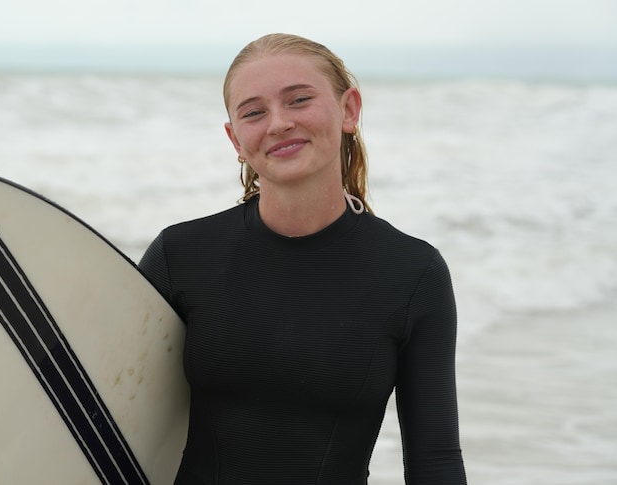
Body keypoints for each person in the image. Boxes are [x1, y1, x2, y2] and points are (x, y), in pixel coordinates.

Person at [138, 33, 466, 484]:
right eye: (254, 112)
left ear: (349, 109)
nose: (277, 124)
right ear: (235, 138)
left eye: (298, 100)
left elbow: (436, 461)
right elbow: (113, 416)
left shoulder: (412, 273)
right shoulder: (180, 256)